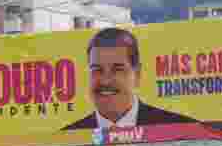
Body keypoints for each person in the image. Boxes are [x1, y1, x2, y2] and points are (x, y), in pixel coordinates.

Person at [61, 28, 199, 131]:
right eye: (97, 70)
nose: (105, 81)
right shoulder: (68, 135)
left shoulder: (179, 126)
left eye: (117, 69)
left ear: (137, 74)